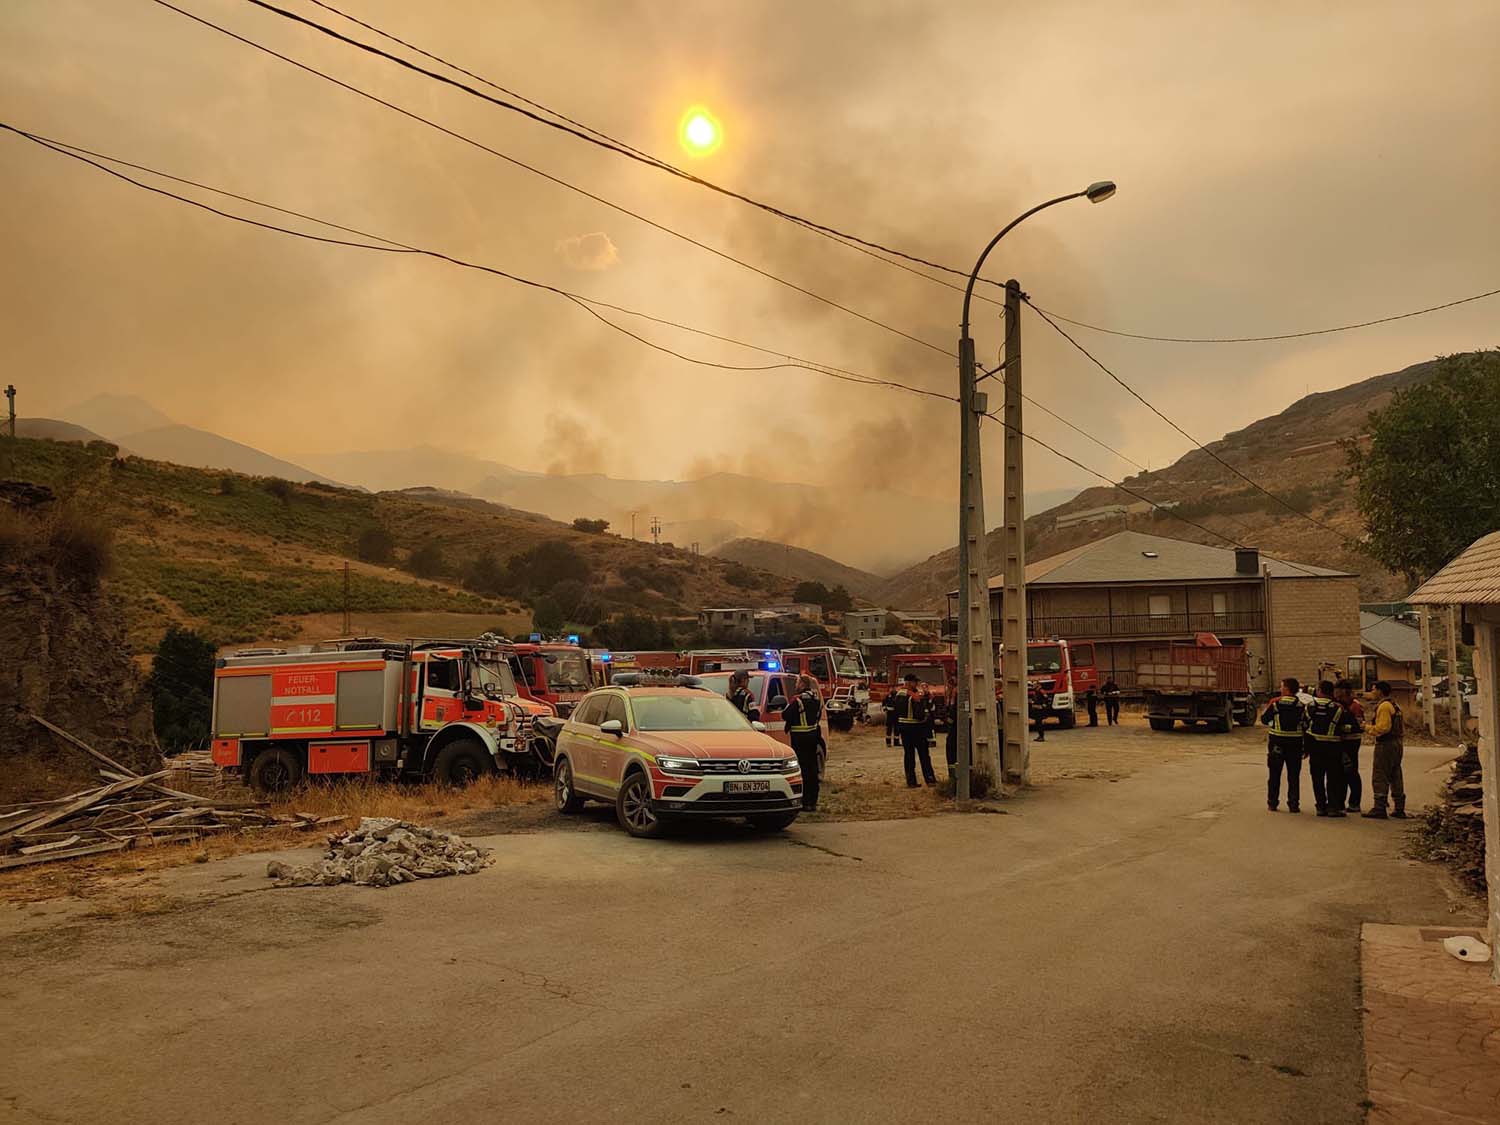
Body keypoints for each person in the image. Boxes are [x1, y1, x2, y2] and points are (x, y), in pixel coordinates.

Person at [1304, 680, 1352, 818]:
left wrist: (1305, 748)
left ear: (1319, 691)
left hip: (1315, 748)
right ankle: (1333, 807)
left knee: (1317, 778)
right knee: (1333, 778)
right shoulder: (1338, 708)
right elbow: (1349, 727)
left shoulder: (1309, 707)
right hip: (1333, 748)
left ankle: (1320, 807)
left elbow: (1304, 727)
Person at [1261, 677, 1307, 812]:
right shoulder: (1302, 706)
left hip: (1277, 743)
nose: (1280, 689)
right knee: (1293, 776)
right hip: (1295, 744)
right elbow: (1306, 725)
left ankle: (1272, 803)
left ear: (1286, 689)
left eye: (1282, 687)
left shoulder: (1275, 703)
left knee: (1274, 774)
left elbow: (1264, 719)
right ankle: (1294, 804)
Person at [1363, 680, 1406, 819]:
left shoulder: (1384, 707)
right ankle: (1399, 807)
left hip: (1386, 744)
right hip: (1397, 743)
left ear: (1380, 691)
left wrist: (1366, 727)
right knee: (1395, 774)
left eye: (1374, 689)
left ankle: (1379, 807)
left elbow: (1383, 728)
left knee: (1380, 774)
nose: (1372, 692)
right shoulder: (1395, 705)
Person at [783, 674, 824, 811]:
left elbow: (786, 715)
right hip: (813, 736)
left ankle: (804, 801)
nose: (795, 685)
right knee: (812, 770)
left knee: (802, 771)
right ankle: (812, 801)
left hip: (800, 739)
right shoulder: (816, 699)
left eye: (797, 683)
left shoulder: (798, 700)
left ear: (802, 685)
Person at [892, 673, 937, 787]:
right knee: (924, 755)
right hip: (916, 728)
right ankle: (930, 779)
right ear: (908, 682)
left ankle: (911, 781)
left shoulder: (898, 694)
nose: (916, 684)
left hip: (903, 727)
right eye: (914, 682)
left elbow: (895, 712)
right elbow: (920, 715)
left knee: (909, 755)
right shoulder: (913, 696)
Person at [1333, 680, 1365, 812]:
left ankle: (1354, 802)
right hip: (1341, 741)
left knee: (1351, 771)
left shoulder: (1355, 706)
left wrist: (1343, 728)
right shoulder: (1339, 704)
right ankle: (1340, 801)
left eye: (1338, 691)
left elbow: (1359, 726)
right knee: (1341, 773)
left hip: (1351, 742)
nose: (1336, 694)